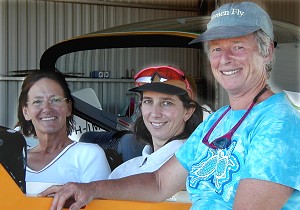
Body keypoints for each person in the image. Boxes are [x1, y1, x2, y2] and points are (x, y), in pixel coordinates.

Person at [41, 2, 300, 210]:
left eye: (238, 46)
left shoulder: (279, 123)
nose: (225, 59)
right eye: (216, 48)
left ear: (267, 52)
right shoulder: (217, 121)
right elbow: (159, 182)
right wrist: (89, 189)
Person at [16, 69, 111, 194]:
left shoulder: (89, 155)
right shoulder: (14, 160)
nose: (47, 109)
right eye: (37, 101)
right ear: (26, 112)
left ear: (68, 107)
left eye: (55, 100)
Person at [108, 65, 204, 179]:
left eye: (167, 103)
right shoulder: (124, 171)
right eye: (148, 101)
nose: (155, 113)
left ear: (188, 111)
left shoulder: (198, 170)